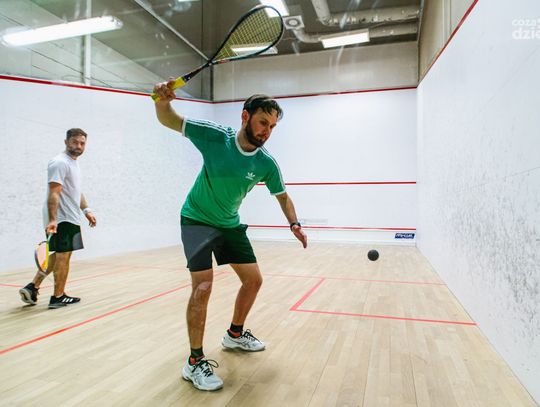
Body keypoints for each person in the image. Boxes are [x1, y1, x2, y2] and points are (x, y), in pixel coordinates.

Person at [153, 80, 308, 391]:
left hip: (229, 224)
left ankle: (234, 335)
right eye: (263, 122)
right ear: (245, 116)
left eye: (272, 126)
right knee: (203, 287)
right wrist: (161, 100)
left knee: (253, 280)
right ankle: (194, 361)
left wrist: (294, 224)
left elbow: (282, 196)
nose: (267, 131)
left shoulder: (266, 163)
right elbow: (169, 119)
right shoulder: (214, 136)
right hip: (196, 219)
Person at [19, 128, 97, 309]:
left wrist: (86, 210)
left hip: (70, 216)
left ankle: (33, 287)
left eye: (82, 143)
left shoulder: (73, 163)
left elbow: (75, 191)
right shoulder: (60, 162)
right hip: (62, 217)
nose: (79, 146)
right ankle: (58, 297)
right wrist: (53, 220)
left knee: (61, 254)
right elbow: (54, 192)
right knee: (64, 256)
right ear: (66, 142)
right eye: (75, 142)